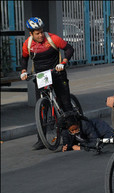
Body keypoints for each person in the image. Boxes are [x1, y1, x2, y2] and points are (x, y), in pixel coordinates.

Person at [20, 17, 74, 150]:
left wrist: (63, 63)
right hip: (41, 76)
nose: (40, 35)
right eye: (37, 33)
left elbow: (69, 49)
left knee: (65, 104)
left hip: (57, 73)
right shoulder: (28, 44)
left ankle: (73, 136)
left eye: (41, 32)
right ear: (31, 34)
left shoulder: (53, 39)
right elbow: (24, 58)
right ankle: (41, 140)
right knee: (42, 108)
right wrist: (23, 71)